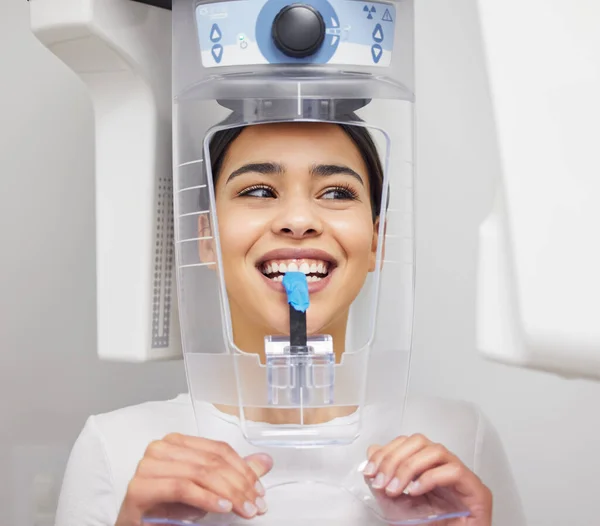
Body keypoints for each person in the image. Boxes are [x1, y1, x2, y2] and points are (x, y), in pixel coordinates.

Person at [55, 122, 526, 526]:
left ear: (377, 240)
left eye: (337, 192)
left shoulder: (460, 440)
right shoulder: (116, 448)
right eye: (258, 191)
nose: (299, 220)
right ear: (207, 239)